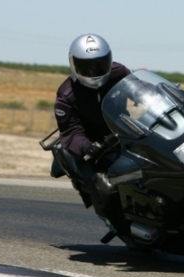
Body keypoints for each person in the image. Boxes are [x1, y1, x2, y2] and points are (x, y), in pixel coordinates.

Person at [53, 33, 131, 210]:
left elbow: (142, 91)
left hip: (123, 135)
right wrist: (87, 146)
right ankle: (123, 228)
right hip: (93, 150)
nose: (94, 71)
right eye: (87, 66)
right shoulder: (66, 96)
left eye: (100, 64)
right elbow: (71, 134)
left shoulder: (119, 73)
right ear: (74, 64)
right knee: (107, 190)